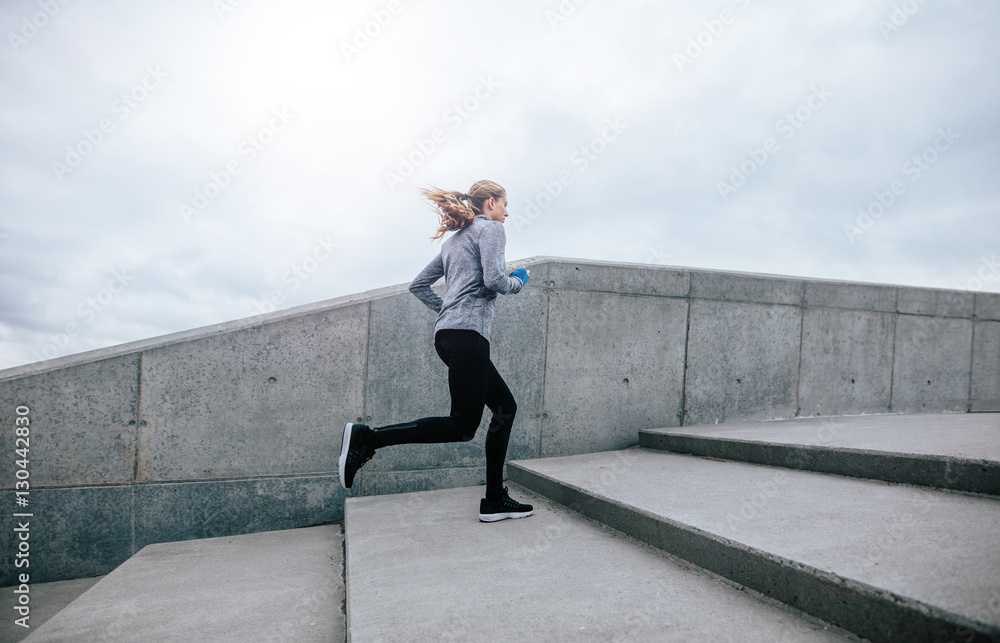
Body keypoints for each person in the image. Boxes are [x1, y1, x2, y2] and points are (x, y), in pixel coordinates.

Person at [338, 180, 534, 522]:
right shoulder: (491, 231)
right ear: (490, 203)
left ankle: (494, 499)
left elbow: (418, 285)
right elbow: (494, 281)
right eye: (505, 204)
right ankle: (368, 439)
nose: (507, 211)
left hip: (448, 335)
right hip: (468, 335)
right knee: (462, 426)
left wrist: (448, 308)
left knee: (504, 407)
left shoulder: (454, 241)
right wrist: (518, 280)